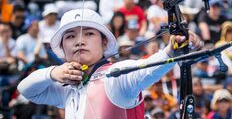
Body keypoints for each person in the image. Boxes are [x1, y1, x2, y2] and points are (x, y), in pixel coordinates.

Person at [18, 8, 202, 118]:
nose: (79, 41)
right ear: (63, 47)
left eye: (89, 34)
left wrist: (170, 51)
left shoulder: (116, 75)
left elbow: (145, 70)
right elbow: (25, 89)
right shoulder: (67, 88)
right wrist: (53, 73)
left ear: (104, 42)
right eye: (71, 36)